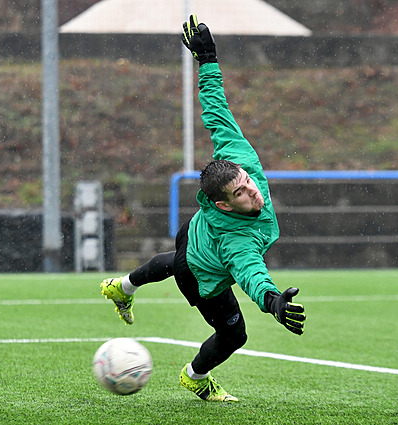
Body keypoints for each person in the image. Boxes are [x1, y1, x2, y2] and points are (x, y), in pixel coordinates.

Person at [99, 15, 306, 403]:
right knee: (234, 334)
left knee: (174, 257)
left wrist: (207, 58)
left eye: (248, 182)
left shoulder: (238, 158)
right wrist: (271, 299)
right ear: (222, 204)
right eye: (242, 194)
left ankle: (122, 287)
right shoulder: (237, 241)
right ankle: (195, 376)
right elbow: (250, 273)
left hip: (192, 233)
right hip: (200, 271)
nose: (253, 192)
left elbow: (215, 109)